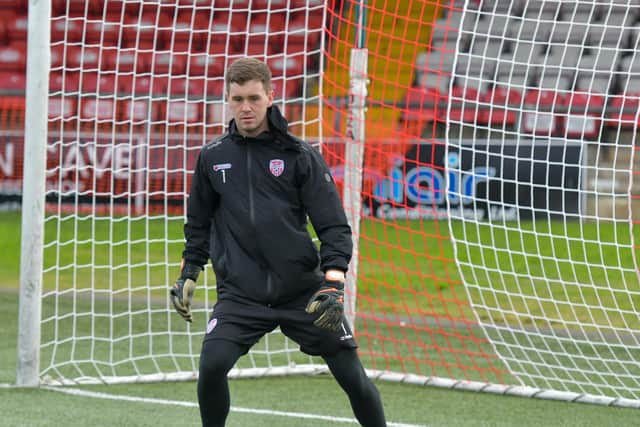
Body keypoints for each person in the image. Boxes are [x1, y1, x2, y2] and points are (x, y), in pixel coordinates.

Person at [170, 57, 387, 427]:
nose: (245, 108)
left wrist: (333, 282)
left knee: (353, 378)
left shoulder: (300, 156)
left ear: (271, 96)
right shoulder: (213, 157)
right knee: (211, 367)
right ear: (228, 98)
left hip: (302, 292)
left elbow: (334, 226)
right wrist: (191, 269)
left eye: (253, 98)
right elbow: (199, 222)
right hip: (241, 295)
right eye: (237, 99)